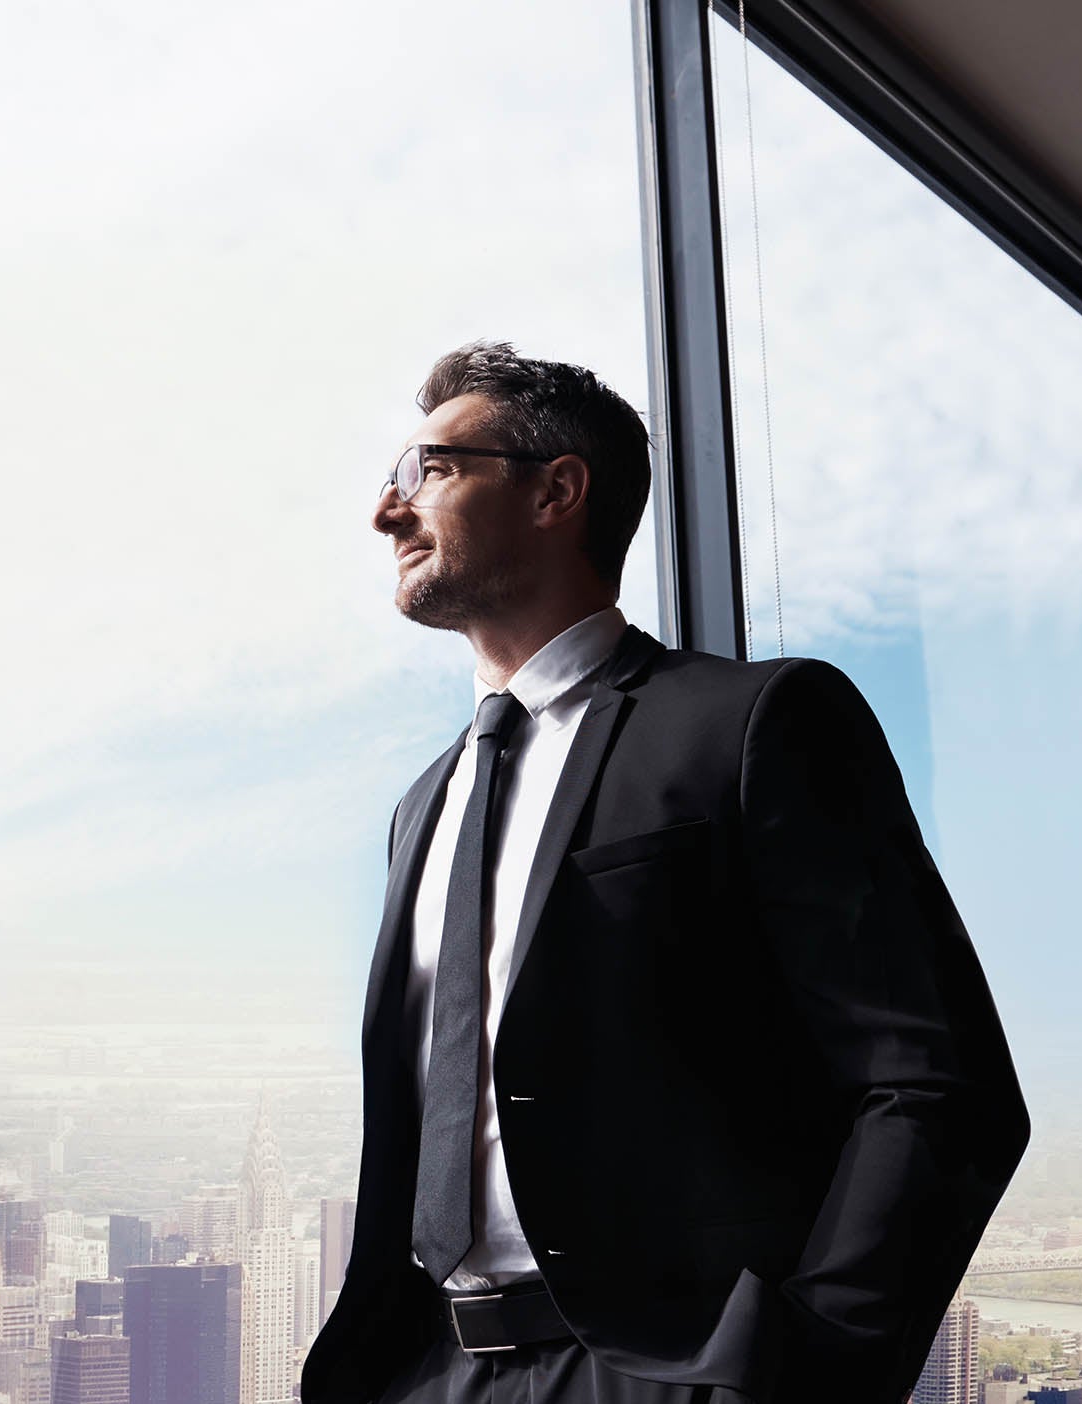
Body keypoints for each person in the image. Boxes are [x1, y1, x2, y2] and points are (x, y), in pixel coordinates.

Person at [298, 342, 1028, 1404]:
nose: (387, 512)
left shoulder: (750, 724)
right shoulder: (424, 805)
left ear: (557, 489)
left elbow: (934, 1084)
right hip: (431, 1370)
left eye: (429, 471)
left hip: (661, 1377)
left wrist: (805, 1369)